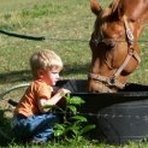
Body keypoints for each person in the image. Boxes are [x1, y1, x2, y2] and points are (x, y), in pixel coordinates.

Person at [11, 49, 70, 144]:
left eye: (58, 73)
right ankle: (38, 140)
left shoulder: (37, 84)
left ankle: (27, 139)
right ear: (41, 73)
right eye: (54, 73)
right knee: (54, 118)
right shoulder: (43, 86)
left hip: (17, 123)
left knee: (47, 119)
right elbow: (44, 108)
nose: (58, 76)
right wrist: (60, 94)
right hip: (24, 122)